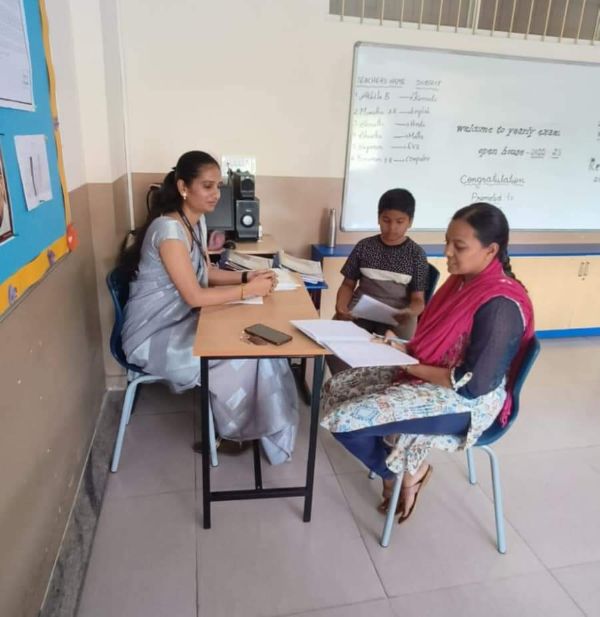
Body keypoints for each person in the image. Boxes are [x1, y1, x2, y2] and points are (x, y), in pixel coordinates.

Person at [321, 202, 534, 522]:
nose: (447, 252)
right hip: (435, 374)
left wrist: (408, 365)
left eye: (459, 246)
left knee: (342, 421)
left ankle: (397, 474)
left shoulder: (500, 305)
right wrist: (400, 347)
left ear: (490, 250)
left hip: (468, 403)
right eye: (447, 241)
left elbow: (472, 384)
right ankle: (399, 465)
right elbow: (437, 343)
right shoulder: (461, 282)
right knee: (334, 388)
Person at [120, 150, 299, 465]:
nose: (216, 194)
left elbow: (206, 274)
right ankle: (235, 432)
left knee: (261, 348)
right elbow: (194, 296)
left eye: (218, 186)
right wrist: (247, 291)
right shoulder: (168, 231)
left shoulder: (195, 223)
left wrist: (246, 276)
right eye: (207, 186)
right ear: (183, 187)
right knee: (242, 356)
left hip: (181, 322)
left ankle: (262, 428)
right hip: (152, 336)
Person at [334, 188, 429, 340]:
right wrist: (341, 307)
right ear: (378, 218)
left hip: (397, 317)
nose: (392, 228)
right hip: (360, 313)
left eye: (399, 222)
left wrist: (409, 312)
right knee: (337, 340)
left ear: (410, 222)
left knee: (396, 350)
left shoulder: (416, 254)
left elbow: (418, 300)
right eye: (386, 220)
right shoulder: (364, 247)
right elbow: (347, 285)